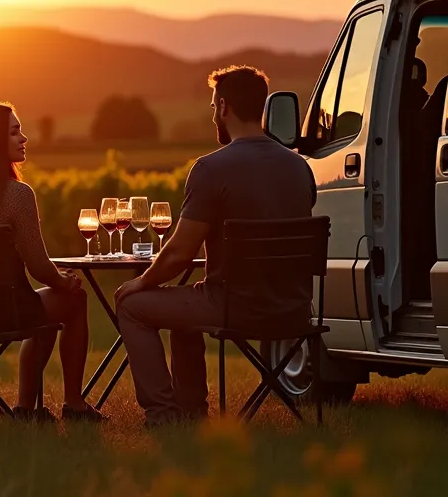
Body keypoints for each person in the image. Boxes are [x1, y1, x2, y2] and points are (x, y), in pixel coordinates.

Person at [113, 66, 316, 427]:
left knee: (131, 306)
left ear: (224, 107)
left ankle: (164, 415)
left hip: (233, 307)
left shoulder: (211, 168)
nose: (212, 117)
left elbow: (180, 253)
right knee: (183, 307)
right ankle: (190, 410)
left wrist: (141, 282)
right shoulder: (299, 167)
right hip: (295, 309)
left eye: (212, 107)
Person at [0, 101, 107, 424]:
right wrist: (65, 282)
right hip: (2, 313)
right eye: (14, 132)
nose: (24, 138)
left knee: (42, 305)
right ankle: (71, 404)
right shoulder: (17, 195)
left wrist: (56, 282)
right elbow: (39, 267)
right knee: (73, 299)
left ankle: (28, 411)